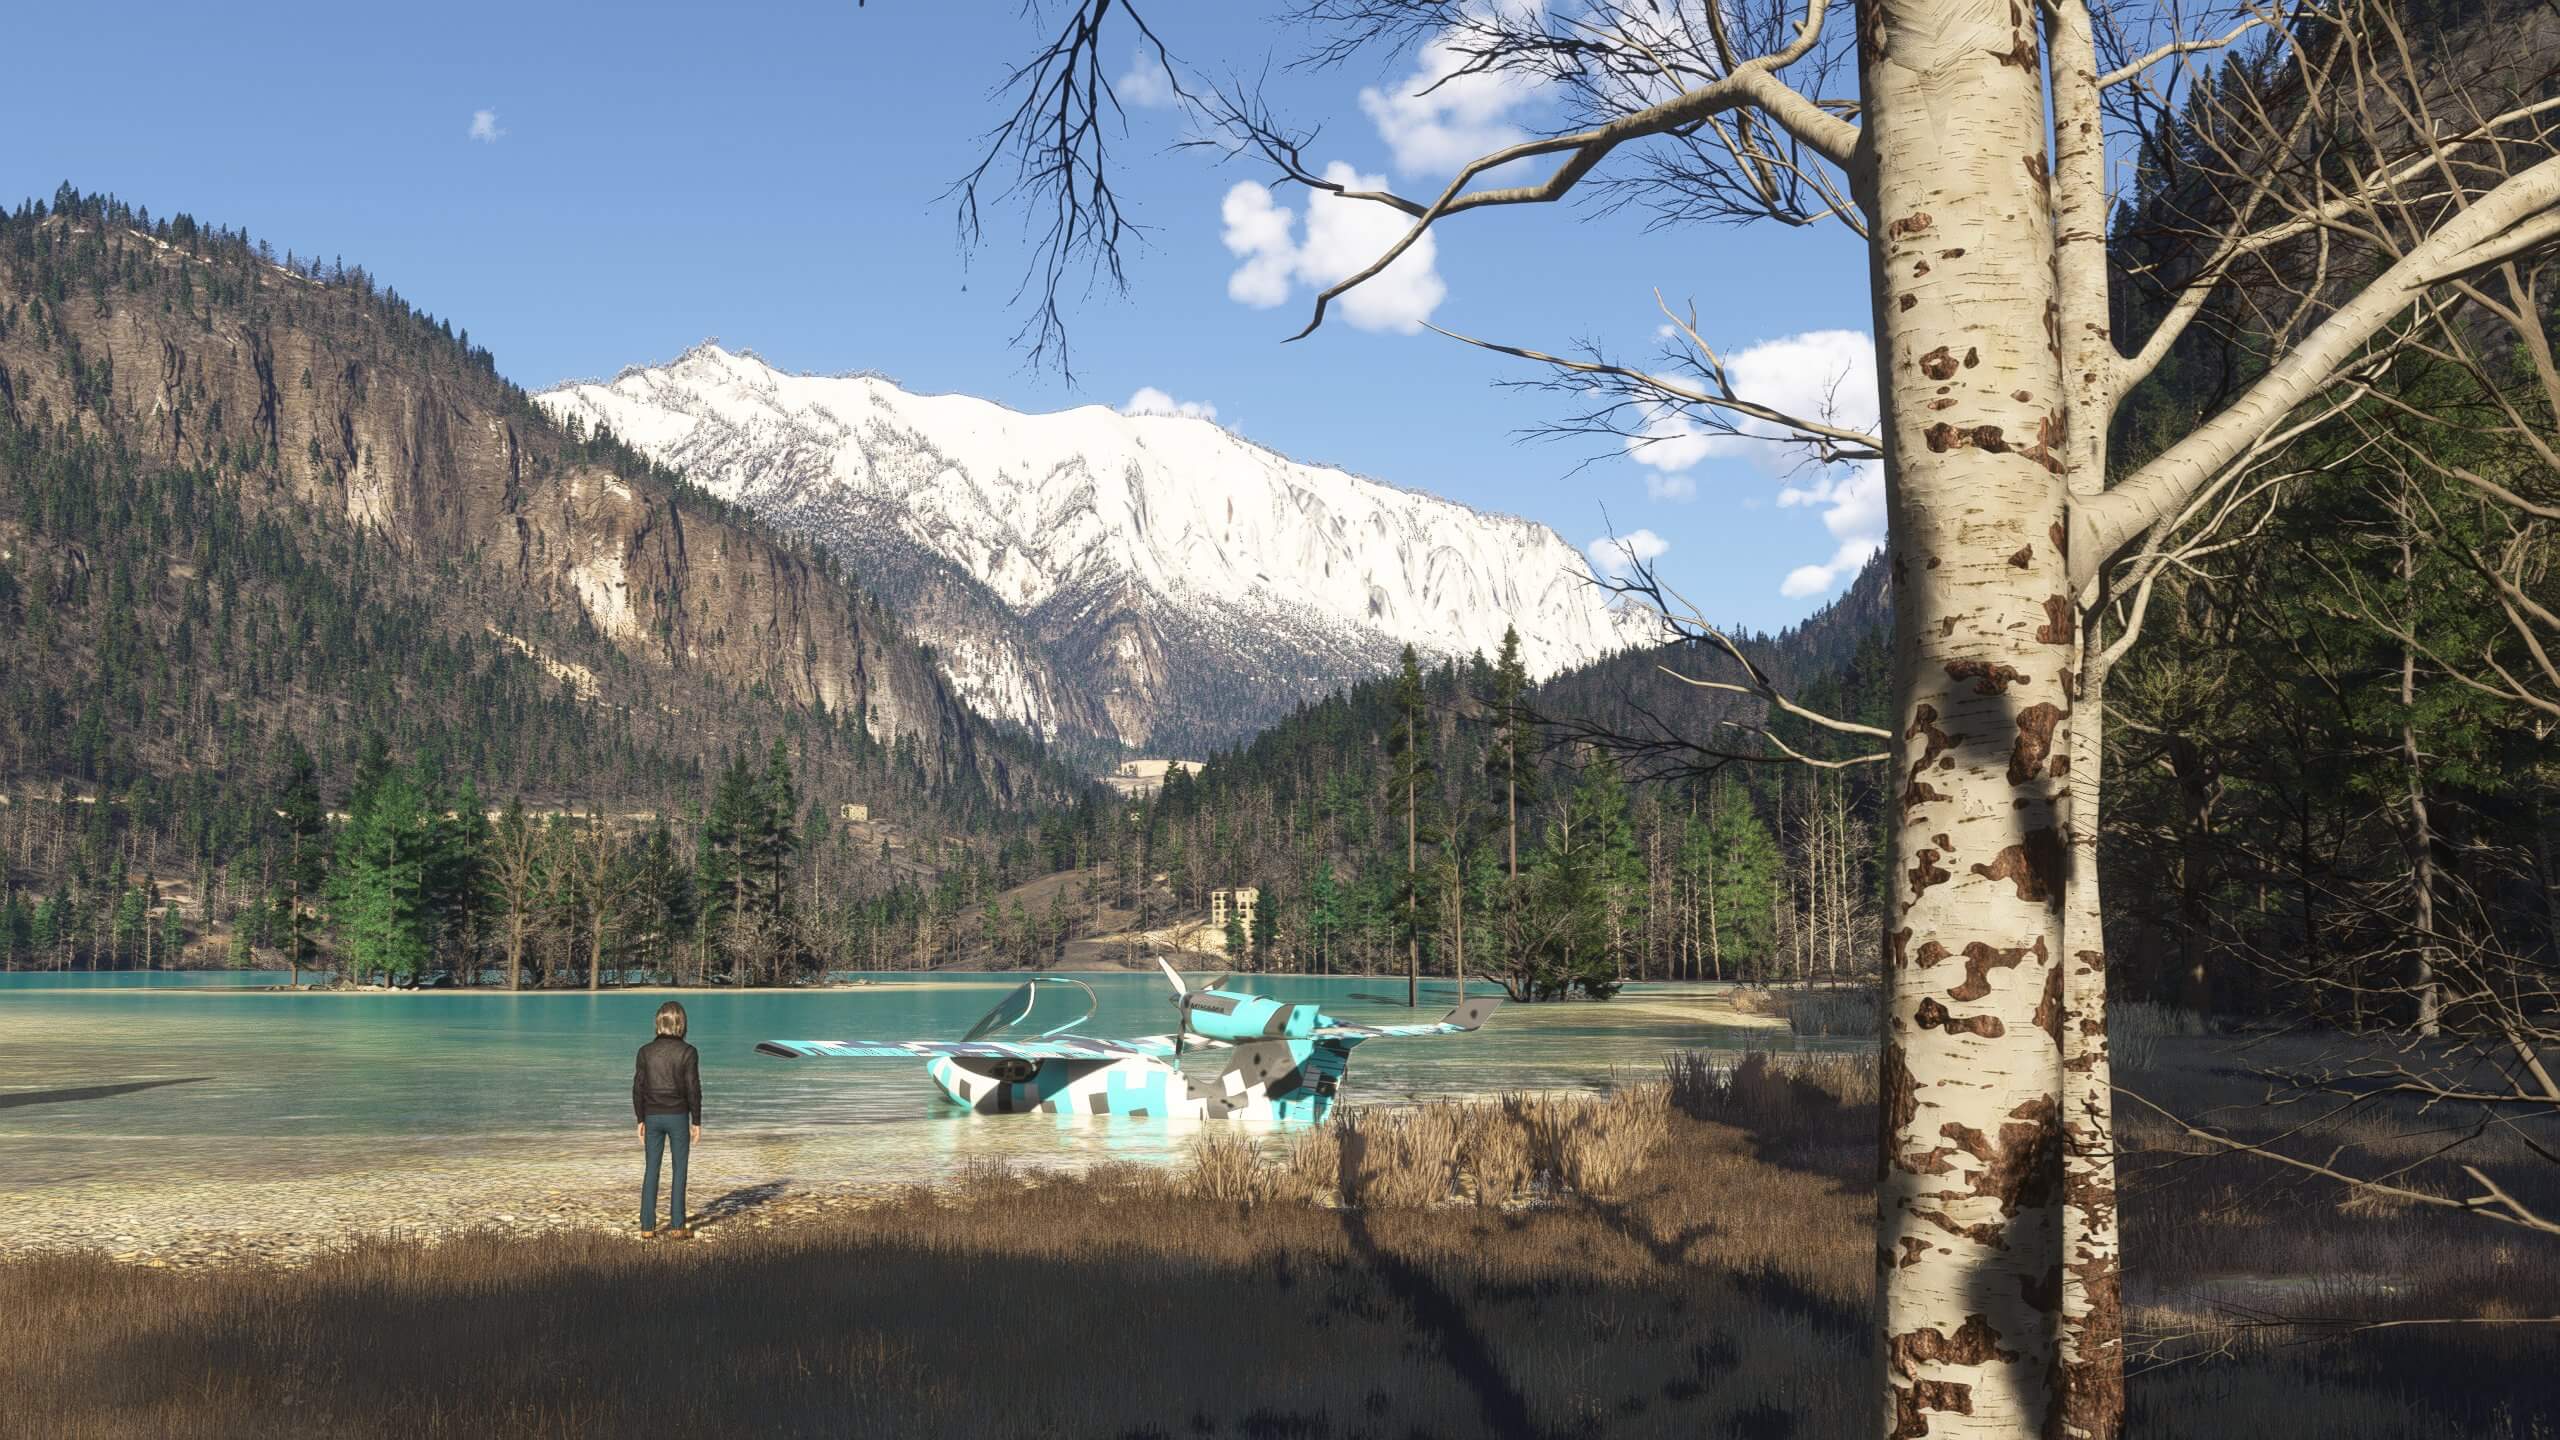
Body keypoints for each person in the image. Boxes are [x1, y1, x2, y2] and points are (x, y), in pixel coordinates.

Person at [633, 1000, 702, 1238]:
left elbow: (638, 1087)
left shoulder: (645, 1051)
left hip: (652, 1115)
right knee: (679, 1170)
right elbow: (693, 1088)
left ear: (658, 1022)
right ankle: (677, 1226)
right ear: (681, 1024)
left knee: (651, 1169)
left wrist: (640, 1118)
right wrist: (697, 1121)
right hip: (678, 1116)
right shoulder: (688, 1052)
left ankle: (647, 1227)